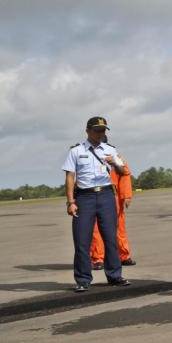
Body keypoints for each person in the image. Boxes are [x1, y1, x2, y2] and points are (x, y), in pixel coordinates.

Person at [62, 117, 130, 292]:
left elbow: (123, 171)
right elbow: (70, 177)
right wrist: (71, 202)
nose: (101, 134)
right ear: (88, 131)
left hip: (106, 195)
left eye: (103, 131)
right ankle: (83, 279)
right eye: (97, 130)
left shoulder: (110, 149)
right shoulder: (76, 151)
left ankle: (115, 276)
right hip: (85, 197)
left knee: (110, 238)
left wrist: (114, 162)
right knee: (82, 240)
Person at [90, 135, 135, 269]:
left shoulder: (115, 155)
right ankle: (98, 259)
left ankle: (123, 256)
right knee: (96, 229)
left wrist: (126, 196)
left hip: (114, 196)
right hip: (95, 196)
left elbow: (125, 173)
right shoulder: (86, 155)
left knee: (119, 228)